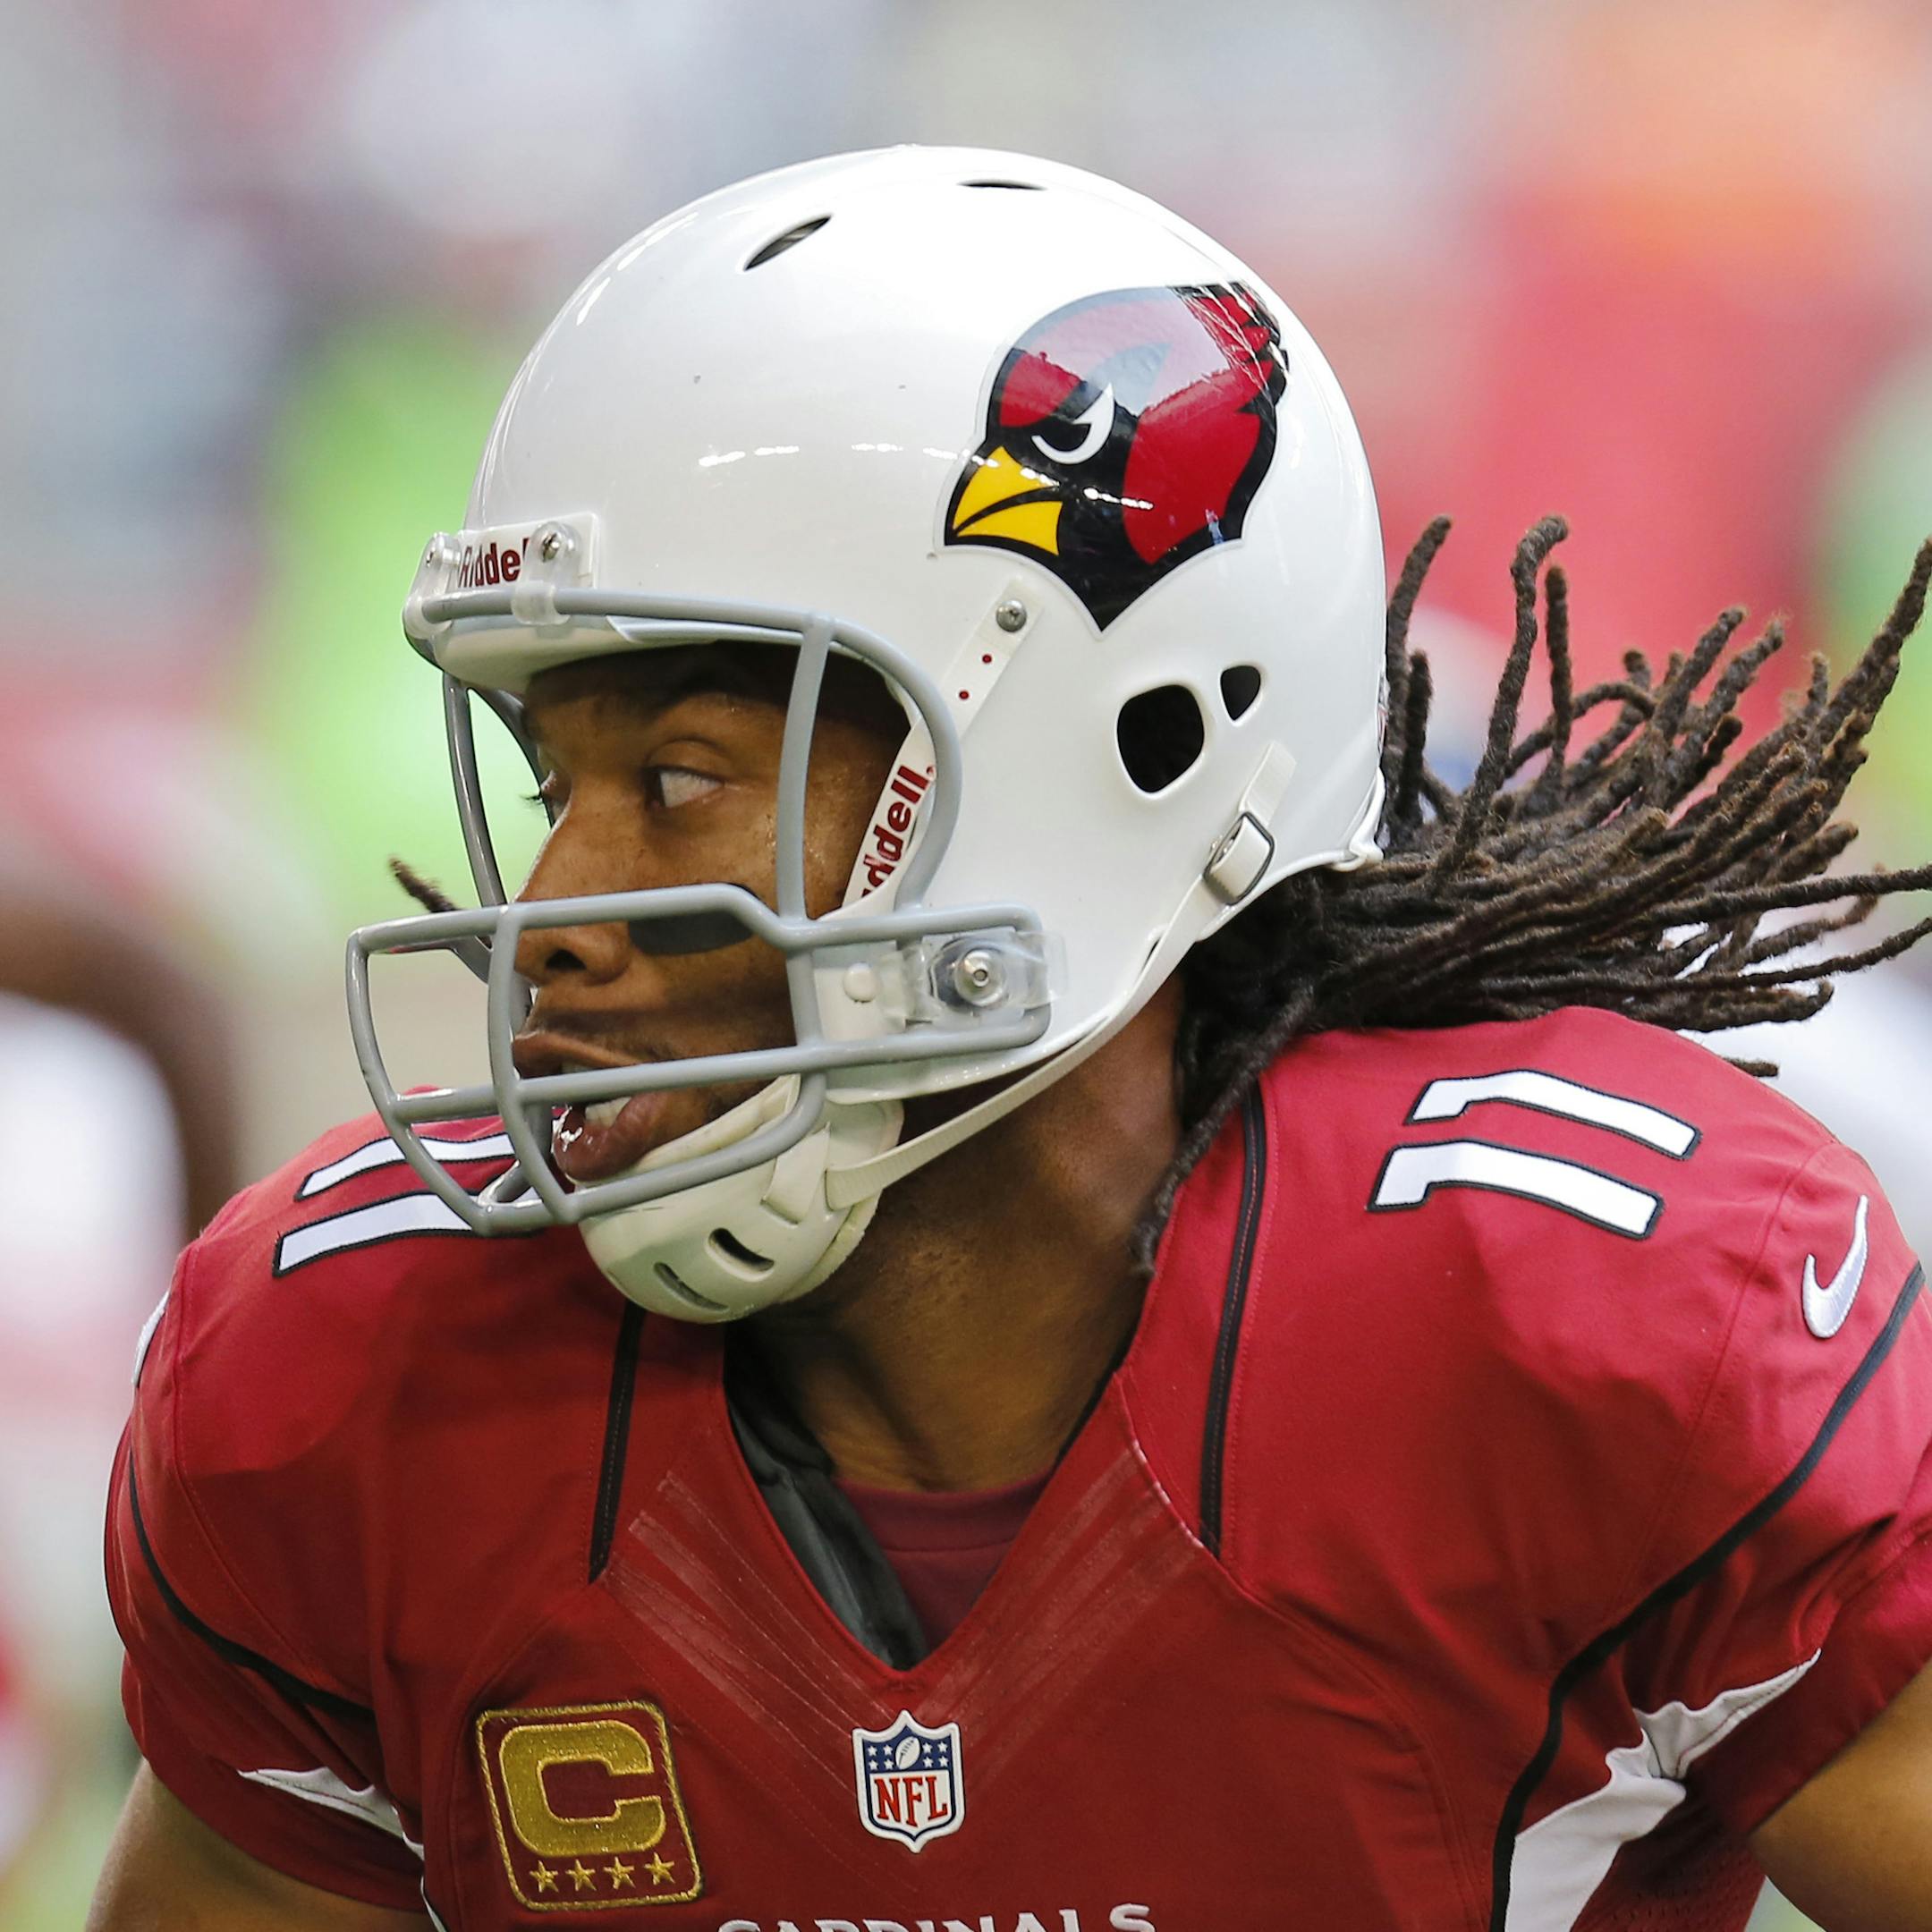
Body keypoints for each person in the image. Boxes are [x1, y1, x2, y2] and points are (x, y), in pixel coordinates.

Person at [89, 148, 1932, 1931]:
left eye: (678, 777)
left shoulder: (1584, 1324)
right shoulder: (360, 1381)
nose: (557, 909)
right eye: (554, 782)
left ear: (1127, 747)